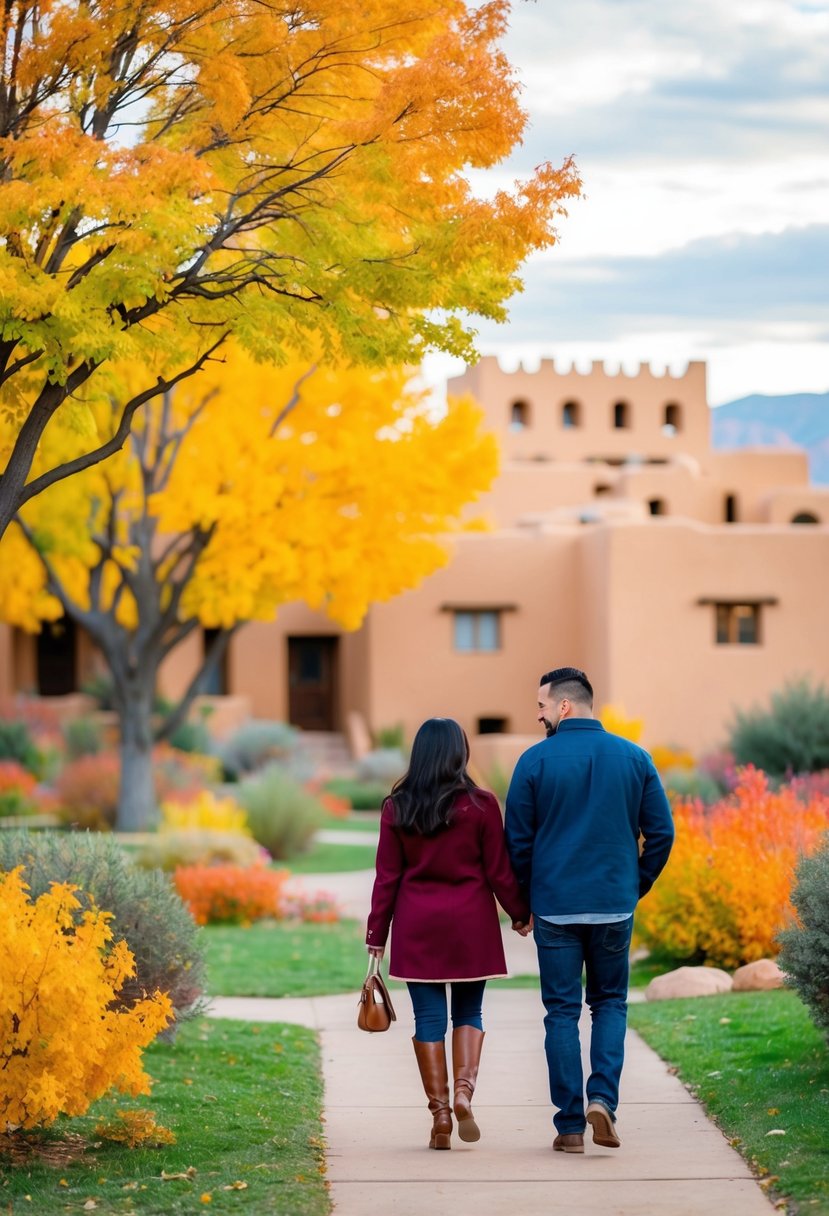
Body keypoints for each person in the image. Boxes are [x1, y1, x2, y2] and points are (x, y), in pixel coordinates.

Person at [504, 667, 674, 1154]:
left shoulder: (533, 762)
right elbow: (661, 834)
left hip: (555, 908)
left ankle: (571, 1126)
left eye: (540, 706)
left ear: (563, 706)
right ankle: (602, 1098)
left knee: (560, 1011)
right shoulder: (635, 758)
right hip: (613, 905)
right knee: (609, 1004)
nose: (536, 714)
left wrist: (520, 906)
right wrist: (632, 886)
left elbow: (516, 843)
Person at [366, 717, 530, 1150]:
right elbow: (498, 871)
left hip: (418, 927)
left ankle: (440, 1114)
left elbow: (387, 878)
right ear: (460, 753)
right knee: (469, 1014)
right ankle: (463, 1092)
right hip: (470, 925)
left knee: (428, 1020)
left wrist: (376, 935)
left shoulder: (396, 807)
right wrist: (519, 913)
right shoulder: (480, 804)